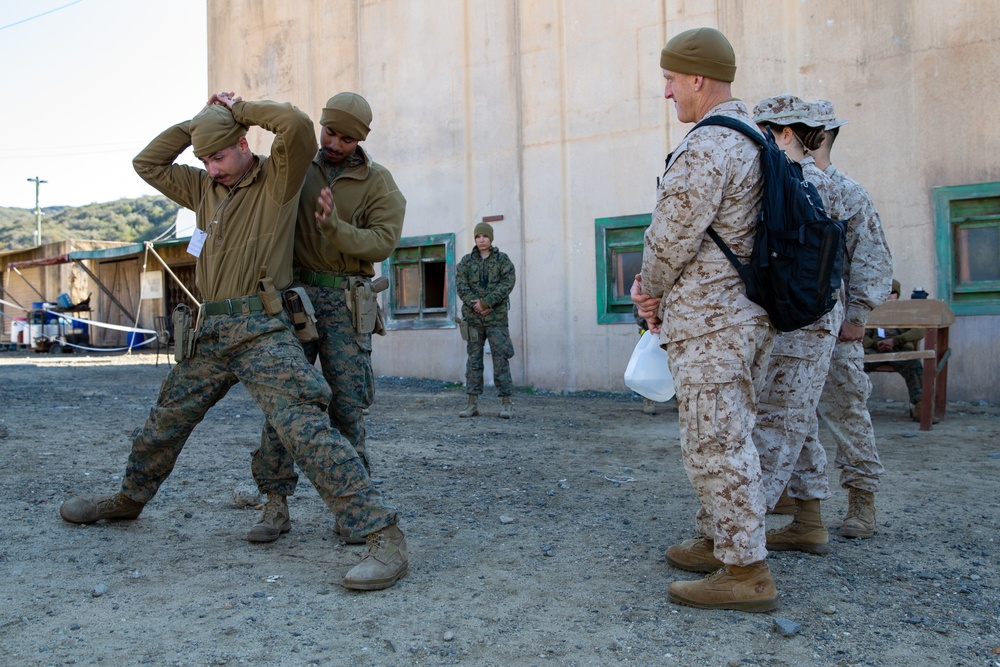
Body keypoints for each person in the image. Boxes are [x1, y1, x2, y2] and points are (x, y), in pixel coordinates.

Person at [58, 93, 408, 591]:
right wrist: (203, 123)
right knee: (166, 419)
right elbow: (148, 162)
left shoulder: (278, 181)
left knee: (305, 425)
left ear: (244, 144)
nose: (211, 167)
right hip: (210, 330)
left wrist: (236, 108)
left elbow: (295, 123)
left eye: (218, 155)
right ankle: (129, 499)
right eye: (203, 159)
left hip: (261, 327)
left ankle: (382, 533)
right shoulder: (203, 187)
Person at [631, 27, 778, 613]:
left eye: (670, 80)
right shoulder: (755, 139)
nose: (667, 93)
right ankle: (722, 540)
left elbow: (670, 238)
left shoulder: (708, 145)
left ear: (697, 79)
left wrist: (649, 291)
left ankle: (744, 572)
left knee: (717, 442)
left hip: (714, 322)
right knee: (724, 435)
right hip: (743, 315)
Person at [248, 92, 406, 545]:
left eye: (347, 137)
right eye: (330, 131)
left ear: (362, 139)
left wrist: (334, 227)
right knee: (285, 402)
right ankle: (274, 503)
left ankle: (353, 507)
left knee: (347, 406)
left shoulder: (379, 183)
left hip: (343, 299)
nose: (335, 142)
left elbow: (381, 243)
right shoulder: (297, 165)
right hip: (293, 299)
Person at [748, 94, 848, 556]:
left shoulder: (800, 180)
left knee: (777, 419)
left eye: (766, 132)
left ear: (785, 133)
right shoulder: (817, 180)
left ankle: (739, 532)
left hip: (803, 318)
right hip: (807, 314)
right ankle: (809, 521)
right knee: (797, 419)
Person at [805, 99, 894, 539]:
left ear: (818, 137)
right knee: (790, 418)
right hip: (793, 326)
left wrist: (858, 314)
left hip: (837, 324)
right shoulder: (789, 184)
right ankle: (804, 511)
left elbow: (872, 259)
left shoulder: (849, 193)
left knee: (846, 409)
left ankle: (861, 499)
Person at [456, 222, 516, 418]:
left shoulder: (502, 260)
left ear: (491, 238)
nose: (481, 239)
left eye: (485, 236)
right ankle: (472, 403)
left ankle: (506, 404)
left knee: (501, 359)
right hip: (473, 319)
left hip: (496, 318)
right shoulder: (466, 262)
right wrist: (475, 304)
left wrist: (487, 302)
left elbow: (507, 282)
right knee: (473, 361)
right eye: (478, 236)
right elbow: (461, 284)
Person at [863, 279, 925, 420]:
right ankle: (848, 406)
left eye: (892, 292)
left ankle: (920, 406)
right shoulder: (872, 311)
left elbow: (919, 332)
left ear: (897, 294)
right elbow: (862, 334)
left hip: (899, 350)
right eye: (885, 292)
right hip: (875, 350)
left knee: (914, 363)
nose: (888, 296)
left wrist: (896, 340)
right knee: (852, 363)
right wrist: (875, 344)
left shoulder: (906, 312)